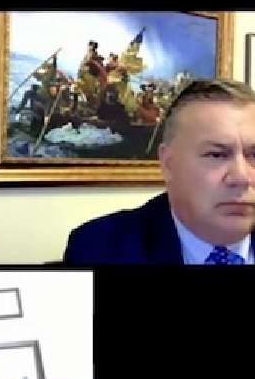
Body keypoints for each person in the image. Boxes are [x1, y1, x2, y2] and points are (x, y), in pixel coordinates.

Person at [63, 79, 255, 264]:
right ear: (168, 164)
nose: (242, 177)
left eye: (254, 156)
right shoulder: (101, 248)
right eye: (216, 155)